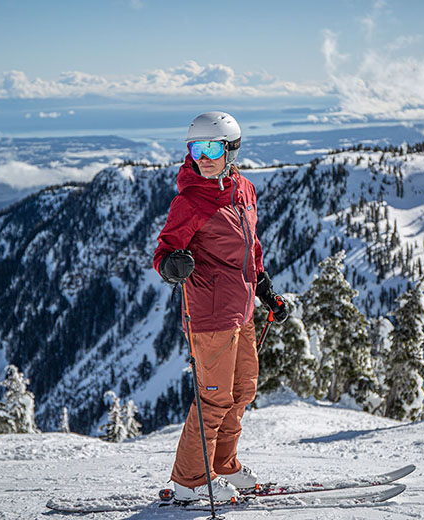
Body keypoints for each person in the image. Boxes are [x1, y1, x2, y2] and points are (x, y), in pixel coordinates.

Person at [153, 111, 288, 502]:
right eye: (196, 148)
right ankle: (191, 481)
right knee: (213, 398)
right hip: (211, 313)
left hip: (242, 307)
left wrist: (266, 290)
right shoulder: (190, 200)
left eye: (212, 147)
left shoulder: (243, 189)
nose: (203, 156)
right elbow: (164, 250)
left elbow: (252, 248)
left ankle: (222, 465)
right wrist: (171, 265)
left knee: (243, 390)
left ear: (231, 149)